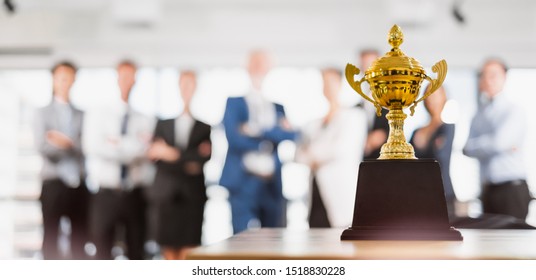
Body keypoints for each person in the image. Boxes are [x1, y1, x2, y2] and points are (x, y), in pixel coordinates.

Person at [83, 60, 155, 259]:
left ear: (136, 80)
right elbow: (93, 147)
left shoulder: (145, 118)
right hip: (105, 194)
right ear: (116, 78)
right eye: (123, 76)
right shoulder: (98, 113)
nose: (127, 81)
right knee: (102, 254)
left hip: (135, 195)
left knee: (137, 253)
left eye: (131, 76)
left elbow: (148, 152)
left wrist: (116, 143)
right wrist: (133, 146)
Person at [219, 50, 297, 234]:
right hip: (243, 181)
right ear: (246, 66)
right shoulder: (233, 103)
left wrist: (255, 129)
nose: (258, 68)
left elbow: (291, 136)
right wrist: (268, 140)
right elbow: (234, 138)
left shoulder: (278, 107)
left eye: (263, 63)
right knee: (240, 238)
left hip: (271, 183)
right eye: (255, 63)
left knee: (274, 238)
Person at [147, 70, 211, 260]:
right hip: (166, 195)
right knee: (168, 250)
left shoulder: (204, 127)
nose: (187, 89)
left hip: (192, 197)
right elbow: (155, 157)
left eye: (191, 84)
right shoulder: (162, 124)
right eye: (184, 84)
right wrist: (188, 159)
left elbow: (202, 161)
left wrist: (170, 153)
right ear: (178, 87)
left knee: (189, 250)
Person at [296, 67, 367, 228]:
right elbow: (299, 154)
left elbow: (339, 149)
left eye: (331, 82)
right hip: (316, 192)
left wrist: (311, 154)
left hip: (340, 193)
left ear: (340, 84)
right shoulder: (314, 124)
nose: (327, 87)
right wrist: (313, 154)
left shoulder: (354, 117)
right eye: (324, 82)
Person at [463, 58, 532, 220]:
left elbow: (499, 143)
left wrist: (481, 145)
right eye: (483, 75)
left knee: (513, 242)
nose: (487, 80)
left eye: (493, 75)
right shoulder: (478, 115)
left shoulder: (514, 110)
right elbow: (466, 148)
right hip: (487, 190)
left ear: (504, 78)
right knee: (489, 242)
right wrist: (493, 144)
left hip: (512, 189)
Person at [34, 61, 90, 259]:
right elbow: (43, 147)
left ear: (74, 80)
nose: (65, 82)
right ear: (54, 80)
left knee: (80, 239)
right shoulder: (42, 113)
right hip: (53, 184)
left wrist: (64, 142)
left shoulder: (83, 115)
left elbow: (87, 146)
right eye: (61, 78)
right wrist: (74, 144)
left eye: (69, 78)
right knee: (50, 237)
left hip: (79, 185)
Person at [409, 85, 457, 217]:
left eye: (436, 94)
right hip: (419, 194)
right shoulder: (416, 132)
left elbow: (441, 157)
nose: (432, 99)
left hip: (443, 193)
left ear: (444, 98)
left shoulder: (447, 128)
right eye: (429, 94)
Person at [358, 49, 389, 160]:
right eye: (364, 65)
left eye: (371, 65)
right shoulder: (355, 109)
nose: (367, 71)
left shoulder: (392, 106)